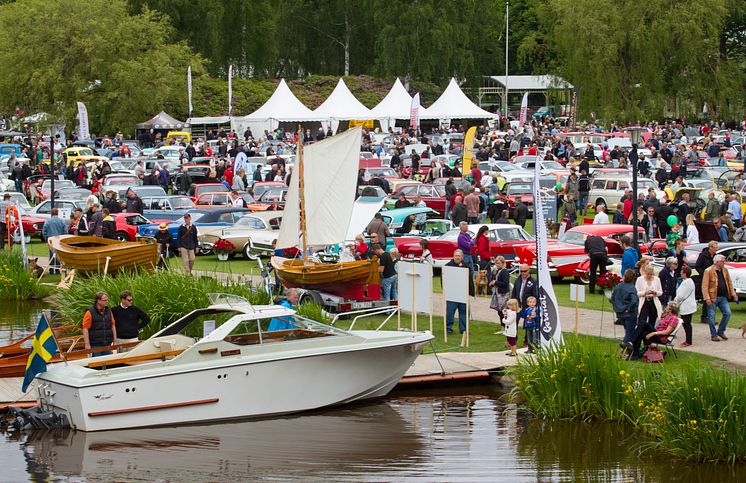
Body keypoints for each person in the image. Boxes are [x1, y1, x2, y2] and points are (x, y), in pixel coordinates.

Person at [702, 254, 737, 341]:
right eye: (722, 261)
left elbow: (729, 282)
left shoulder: (725, 270)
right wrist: (707, 298)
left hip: (723, 297)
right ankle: (713, 335)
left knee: (727, 313)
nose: (724, 262)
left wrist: (733, 294)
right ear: (717, 262)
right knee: (711, 317)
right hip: (712, 297)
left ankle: (721, 331)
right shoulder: (708, 271)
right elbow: (704, 286)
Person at [632, 264, 663, 358]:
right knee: (642, 321)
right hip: (644, 301)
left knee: (651, 323)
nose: (649, 276)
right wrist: (644, 293)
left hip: (653, 302)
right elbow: (636, 291)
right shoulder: (640, 279)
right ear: (645, 272)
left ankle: (648, 344)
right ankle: (639, 342)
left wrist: (655, 293)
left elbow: (660, 292)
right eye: (648, 274)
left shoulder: (657, 280)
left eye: (651, 274)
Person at [444, 249, 473, 334]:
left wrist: (471, 291)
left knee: (464, 312)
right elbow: (444, 279)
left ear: (462, 257)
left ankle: (463, 329)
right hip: (452, 294)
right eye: (456, 255)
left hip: (463, 293)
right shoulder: (448, 266)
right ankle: (448, 328)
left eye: (459, 256)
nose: (457, 257)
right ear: (453, 256)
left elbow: (469, 279)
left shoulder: (466, 266)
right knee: (450, 312)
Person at [82, 291, 118, 357]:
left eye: (107, 300)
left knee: (109, 363)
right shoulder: (89, 312)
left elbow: (113, 325)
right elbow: (85, 329)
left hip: (107, 343)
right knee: (96, 364)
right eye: (104, 300)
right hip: (95, 345)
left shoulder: (109, 311)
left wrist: (115, 341)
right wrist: (87, 344)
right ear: (98, 301)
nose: (107, 301)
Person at [611, 269, 639, 350]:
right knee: (630, 331)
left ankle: (629, 345)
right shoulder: (632, 288)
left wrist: (617, 308)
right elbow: (634, 301)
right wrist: (629, 308)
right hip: (630, 313)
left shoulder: (618, 286)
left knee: (628, 331)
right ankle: (625, 344)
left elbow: (613, 298)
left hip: (620, 313)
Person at [673, 266, 696, 347]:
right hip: (687, 305)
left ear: (685, 274)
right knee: (686, 323)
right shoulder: (688, 281)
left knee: (686, 323)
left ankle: (688, 340)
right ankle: (688, 340)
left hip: (687, 306)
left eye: (681, 272)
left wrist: (675, 301)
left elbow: (681, 295)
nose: (680, 273)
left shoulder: (687, 282)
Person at [42, 208, 69, 274]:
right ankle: (57, 269)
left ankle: (51, 269)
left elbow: (44, 231)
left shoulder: (48, 221)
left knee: (51, 254)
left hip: (50, 240)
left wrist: (46, 238)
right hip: (59, 240)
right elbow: (65, 231)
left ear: (51, 213)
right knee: (58, 255)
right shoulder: (62, 221)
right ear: (57, 213)